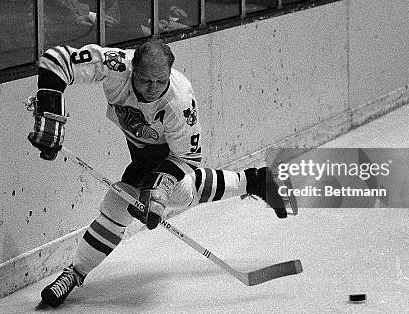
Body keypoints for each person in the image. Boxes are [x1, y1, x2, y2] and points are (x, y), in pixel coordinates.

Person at [27, 40, 289, 307]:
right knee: (128, 200)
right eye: (144, 80)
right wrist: (50, 113)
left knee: (151, 198)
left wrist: (159, 190)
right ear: (132, 69)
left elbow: (187, 157)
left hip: (169, 155)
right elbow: (56, 59)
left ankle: (75, 273)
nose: (153, 89)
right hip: (140, 151)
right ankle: (256, 180)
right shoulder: (115, 64)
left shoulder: (180, 101)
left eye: (160, 81)